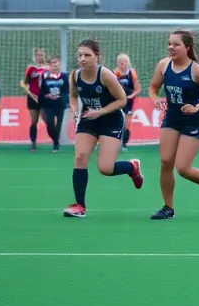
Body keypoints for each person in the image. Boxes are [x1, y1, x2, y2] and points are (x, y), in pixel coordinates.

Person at [148, 30, 199, 220]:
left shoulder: (196, 71)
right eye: (169, 43)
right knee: (165, 162)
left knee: (183, 168)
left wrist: (198, 106)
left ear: (187, 48)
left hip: (194, 119)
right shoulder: (163, 65)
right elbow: (153, 87)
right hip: (172, 117)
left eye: (176, 44)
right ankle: (168, 208)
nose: (171, 47)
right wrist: (154, 98)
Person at [63, 39, 144, 217]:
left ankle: (132, 168)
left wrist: (99, 112)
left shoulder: (105, 75)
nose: (82, 59)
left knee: (105, 168)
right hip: (88, 120)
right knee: (80, 156)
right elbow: (73, 96)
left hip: (111, 121)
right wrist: (74, 112)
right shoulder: (74, 76)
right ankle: (80, 206)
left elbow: (122, 100)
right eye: (80, 55)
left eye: (87, 55)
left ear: (97, 57)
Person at [38, 56, 69, 153]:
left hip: (60, 103)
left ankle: (56, 144)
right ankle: (55, 140)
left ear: (59, 64)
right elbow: (42, 91)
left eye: (55, 63)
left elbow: (67, 90)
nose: (54, 65)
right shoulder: (45, 76)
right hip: (48, 104)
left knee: (58, 124)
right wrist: (47, 96)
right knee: (50, 123)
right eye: (52, 63)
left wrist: (62, 97)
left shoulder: (64, 76)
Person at [20, 47, 47, 151]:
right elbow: (26, 82)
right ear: (35, 56)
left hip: (45, 98)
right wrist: (26, 87)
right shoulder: (30, 68)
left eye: (41, 54)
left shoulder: (48, 68)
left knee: (48, 120)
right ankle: (33, 143)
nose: (39, 57)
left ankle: (55, 142)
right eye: (38, 55)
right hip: (33, 97)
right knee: (34, 121)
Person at [114, 54, 141, 149]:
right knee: (115, 122)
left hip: (129, 101)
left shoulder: (132, 73)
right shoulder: (115, 74)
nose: (122, 63)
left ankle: (124, 144)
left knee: (127, 123)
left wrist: (130, 97)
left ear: (127, 62)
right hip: (117, 100)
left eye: (124, 61)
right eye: (120, 61)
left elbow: (138, 89)